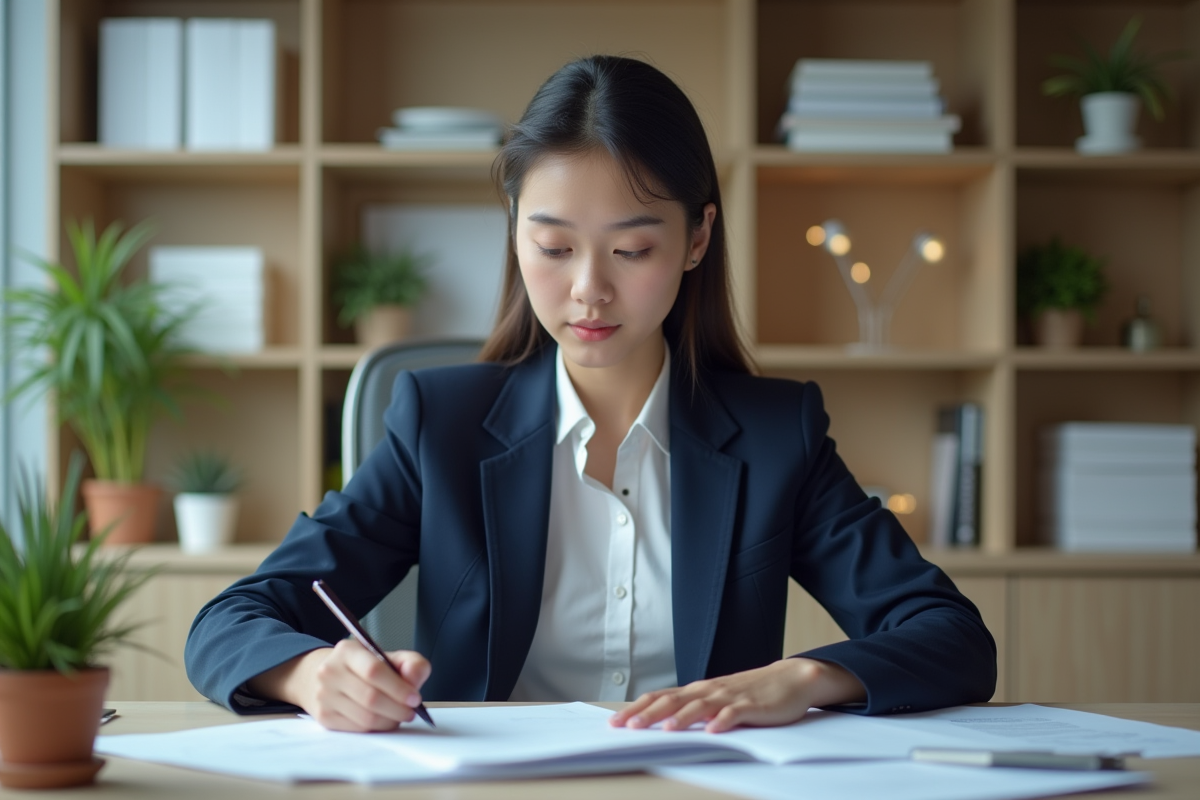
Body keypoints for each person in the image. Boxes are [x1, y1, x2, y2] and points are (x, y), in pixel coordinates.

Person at [185, 55, 995, 735]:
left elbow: (953, 637)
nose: (588, 291)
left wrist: (800, 679)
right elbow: (230, 621)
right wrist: (309, 673)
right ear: (514, 230)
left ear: (697, 239)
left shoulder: (775, 434)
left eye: (632, 249)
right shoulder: (442, 425)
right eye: (554, 246)